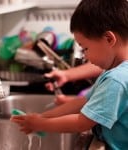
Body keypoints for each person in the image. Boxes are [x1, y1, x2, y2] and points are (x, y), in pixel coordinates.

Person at [10, 0, 128, 149]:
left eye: (85, 48)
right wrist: (44, 116)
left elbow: (81, 122)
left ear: (109, 39)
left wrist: (40, 124)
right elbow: (83, 102)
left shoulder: (116, 80)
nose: (85, 56)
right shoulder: (114, 72)